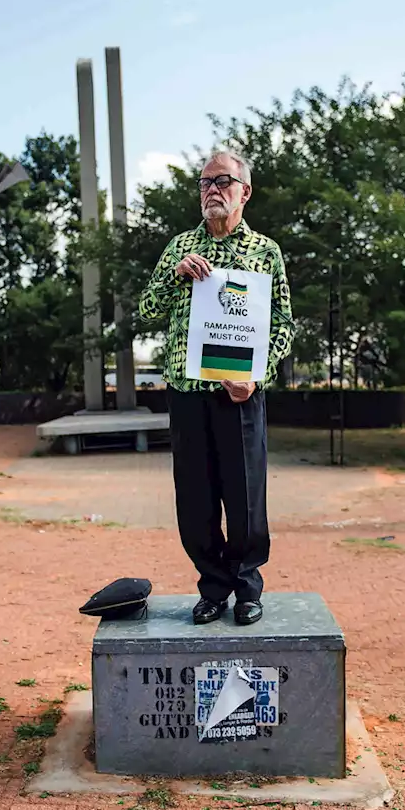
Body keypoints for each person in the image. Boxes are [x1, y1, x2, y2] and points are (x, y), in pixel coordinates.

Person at [138, 149, 294, 626]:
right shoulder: (181, 246)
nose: (211, 190)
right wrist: (175, 274)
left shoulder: (265, 252)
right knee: (196, 499)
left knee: (246, 497)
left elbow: (283, 324)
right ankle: (212, 588)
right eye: (204, 182)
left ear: (244, 191)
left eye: (222, 181)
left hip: (239, 395)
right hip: (187, 394)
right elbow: (146, 309)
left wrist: (257, 377)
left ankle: (247, 588)